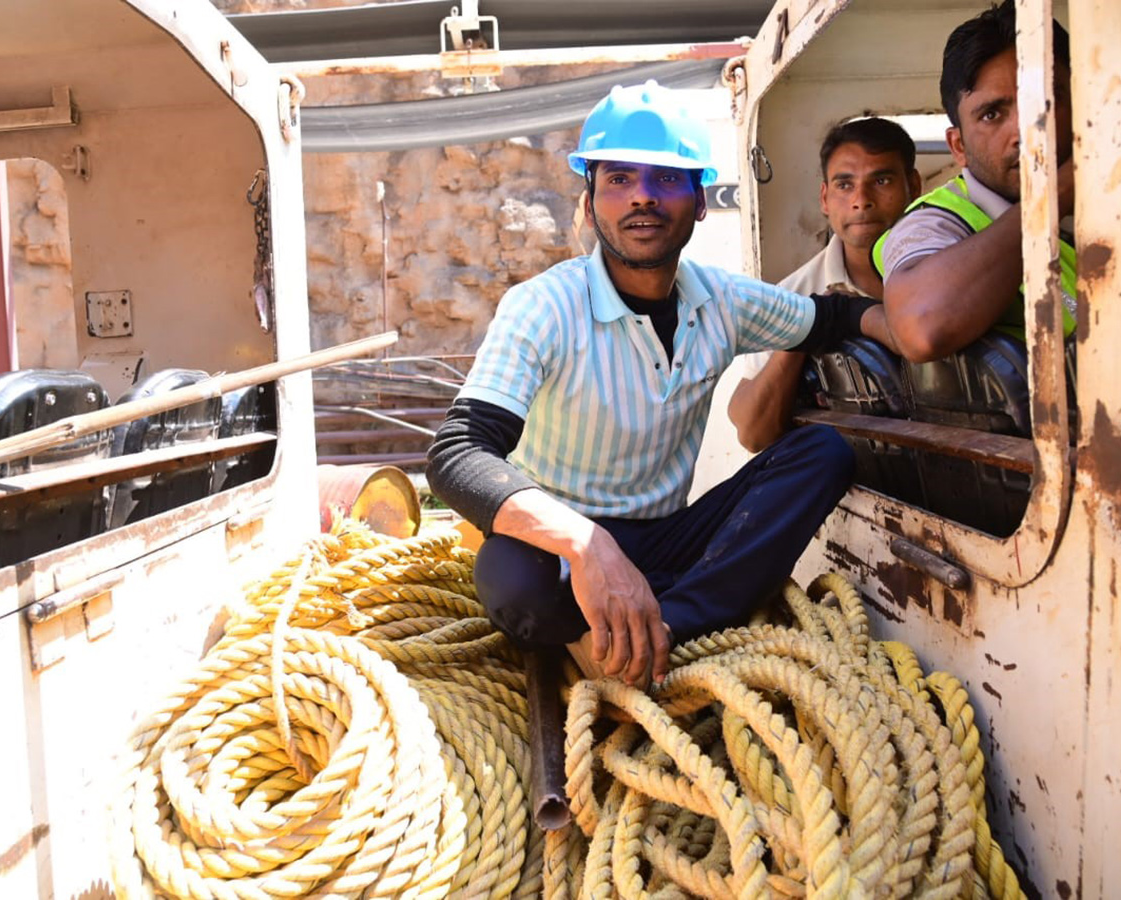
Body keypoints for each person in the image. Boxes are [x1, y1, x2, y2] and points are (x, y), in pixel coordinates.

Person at [426, 81, 893, 688]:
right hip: (562, 550)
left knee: (824, 452)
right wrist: (588, 546)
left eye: (666, 180)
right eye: (619, 179)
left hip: (671, 540)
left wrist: (908, 324)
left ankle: (660, 626)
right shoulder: (542, 307)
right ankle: (629, 619)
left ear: (699, 201)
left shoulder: (724, 300)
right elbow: (456, 454)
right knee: (512, 580)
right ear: (591, 200)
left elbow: (829, 318)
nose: (642, 198)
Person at [874, 0, 1076, 362]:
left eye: (1045, 99)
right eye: (993, 114)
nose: (1026, 131)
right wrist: (1057, 193)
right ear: (959, 146)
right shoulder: (934, 224)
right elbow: (921, 328)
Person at [728, 117, 919, 452]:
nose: (862, 200)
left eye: (882, 180)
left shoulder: (947, 271)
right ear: (824, 198)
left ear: (913, 186)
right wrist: (807, 326)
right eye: (845, 185)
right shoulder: (792, 296)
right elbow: (752, 434)